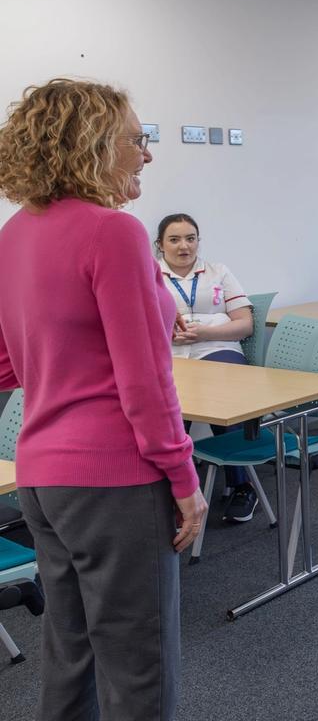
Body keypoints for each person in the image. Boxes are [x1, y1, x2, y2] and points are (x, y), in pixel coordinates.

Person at [0, 78, 206, 720]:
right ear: (93, 145)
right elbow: (144, 381)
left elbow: (7, 363)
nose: (147, 153)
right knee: (139, 669)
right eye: (136, 140)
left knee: (72, 657)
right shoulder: (113, 232)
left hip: (42, 482)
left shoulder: (14, 233)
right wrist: (183, 476)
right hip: (115, 483)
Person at [155, 213, 259, 522]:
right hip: (170, 356)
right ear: (160, 245)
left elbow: (245, 324)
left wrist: (206, 332)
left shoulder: (219, 272)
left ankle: (242, 486)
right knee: (169, 418)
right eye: (174, 239)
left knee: (224, 405)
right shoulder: (147, 275)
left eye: (190, 238)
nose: (184, 246)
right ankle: (175, 494)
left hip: (218, 349)